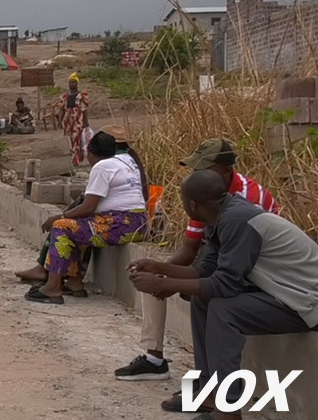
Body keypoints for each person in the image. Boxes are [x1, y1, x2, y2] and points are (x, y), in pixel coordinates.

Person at [129, 170, 318, 420]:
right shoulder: (220, 217)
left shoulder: (238, 220)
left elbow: (224, 285)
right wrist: (160, 269)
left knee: (224, 309)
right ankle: (208, 392)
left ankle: (228, 413)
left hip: (317, 304)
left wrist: (165, 285)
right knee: (205, 300)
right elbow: (207, 271)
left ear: (192, 205)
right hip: (290, 296)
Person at [114, 139, 280, 381]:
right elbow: (190, 247)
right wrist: (161, 271)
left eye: (203, 168)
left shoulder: (245, 198)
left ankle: (218, 394)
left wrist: (169, 283)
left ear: (225, 171)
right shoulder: (204, 194)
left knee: (214, 302)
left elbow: (230, 271)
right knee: (167, 281)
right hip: (224, 254)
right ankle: (156, 360)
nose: (195, 173)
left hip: (256, 264)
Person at [26, 129, 149, 305]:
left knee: (62, 226)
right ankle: (75, 282)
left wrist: (60, 216)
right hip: (138, 222)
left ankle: (53, 287)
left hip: (122, 224)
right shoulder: (126, 161)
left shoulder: (102, 167)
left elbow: (89, 207)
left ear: (92, 153)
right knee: (80, 228)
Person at [60, 73, 90, 166]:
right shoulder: (65, 96)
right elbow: (62, 109)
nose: (72, 84)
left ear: (77, 84)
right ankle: (70, 158)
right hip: (67, 120)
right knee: (68, 138)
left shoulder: (81, 96)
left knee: (76, 137)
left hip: (78, 118)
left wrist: (85, 121)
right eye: (70, 82)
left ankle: (76, 158)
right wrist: (60, 120)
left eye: (74, 82)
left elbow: (84, 110)